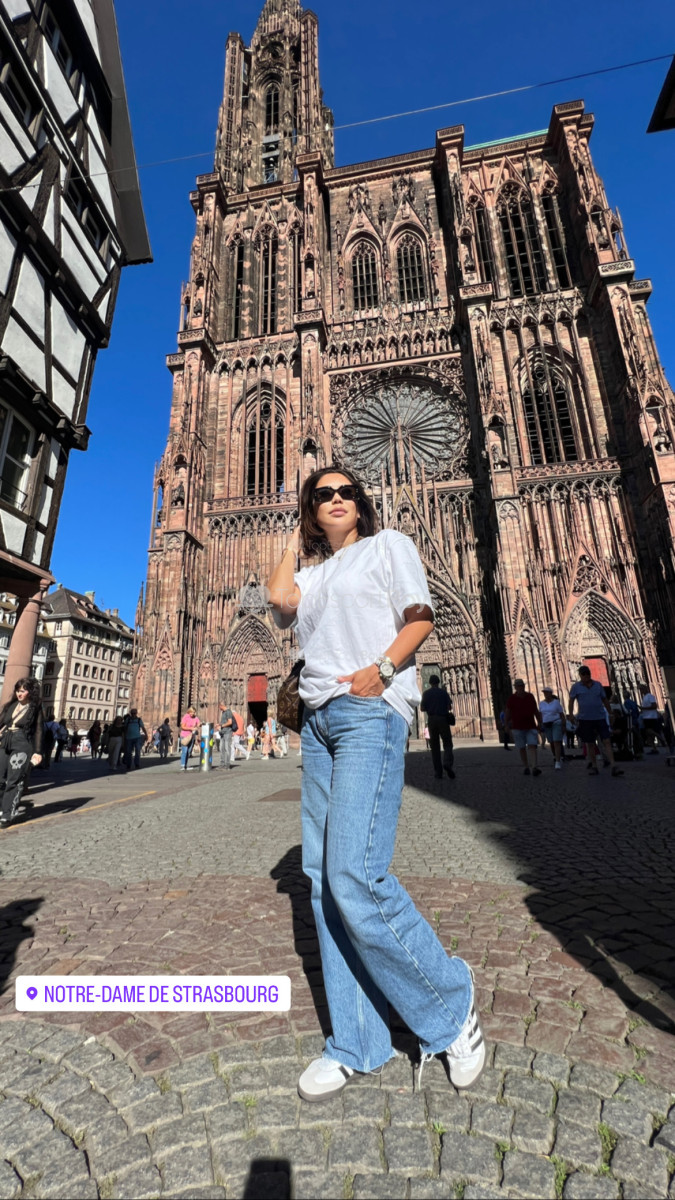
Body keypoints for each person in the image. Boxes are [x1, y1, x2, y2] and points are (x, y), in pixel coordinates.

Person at [267, 465, 484, 1103]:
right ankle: (357, 1040)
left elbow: (420, 616)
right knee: (321, 884)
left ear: (361, 502)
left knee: (354, 876)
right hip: (319, 723)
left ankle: (450, 1004)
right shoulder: (310, 576)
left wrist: (381, 671)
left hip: (368, 711)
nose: (336, 500)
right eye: (322, 495)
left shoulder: (390, 545)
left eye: (345, 492)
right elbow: (279, 603)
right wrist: (293, 536)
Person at [0, 677, 43, 828]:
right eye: (18, 691)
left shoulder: (34, 708)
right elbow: (1, 722)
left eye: (23, 691)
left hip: (22, 743)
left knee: (14, 779)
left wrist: (38, 751)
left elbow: (38, 729)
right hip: (5, 740)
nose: (19, 694)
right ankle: (1, 807)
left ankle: (7, 813)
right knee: (0, 777)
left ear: (30, 692)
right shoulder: (11, 705)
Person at [568, 665, 623, 778]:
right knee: (590, 743)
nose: (585, 676)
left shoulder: (598, 685)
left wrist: (610, 713)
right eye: (583, 674)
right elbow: (571, 701)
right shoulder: (576, 687)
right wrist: (571, 714)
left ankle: (613, 765)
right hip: (585, 719)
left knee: (606, 741)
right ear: (580, 675)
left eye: (587, 673)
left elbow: (605, 700)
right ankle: (594, 766)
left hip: (600, 717)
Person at [504, 680, 543, 776]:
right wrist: (506, 725)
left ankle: (534, 767)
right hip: (517, 727)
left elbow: (535, 710)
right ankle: (526, 766)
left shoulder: (530, 696)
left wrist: (540, 722)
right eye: (518, 686)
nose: (520, 687)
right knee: (522, 747)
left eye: (522, 685)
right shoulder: (512, 699)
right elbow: (508, 712)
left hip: (530, 726)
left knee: (532, 745)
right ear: (515, 687)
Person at [420, 675, 456, 780]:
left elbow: (422, 708)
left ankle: (438, 772)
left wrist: (430, 708)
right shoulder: (443, 693)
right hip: (443, 719)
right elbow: (449, 706)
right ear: (438, 682)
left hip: (432, 720)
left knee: (435, 747)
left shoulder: (426, 693)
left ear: (430, 683)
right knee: (447, 743)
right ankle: (447, 762)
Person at [539, 687, 565, 769]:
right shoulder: (541, 703)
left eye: (547, 692)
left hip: (556, 722)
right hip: (546, 724)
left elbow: (561, 714)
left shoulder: (556, 702)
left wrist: (563, 725)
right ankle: (555, 756)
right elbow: (540, 714)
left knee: (556, 741)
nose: (545, 694)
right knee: (551, 742)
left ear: (550, 693)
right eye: (544, 693)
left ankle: (557, 761)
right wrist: (540, 724)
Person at [179, 706, 200, 770]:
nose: (192, 713)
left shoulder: (196, 718)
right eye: (191, 712)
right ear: (189, 712)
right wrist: (191, 728)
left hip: (192, 736)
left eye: (193, 712)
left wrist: (198, 725)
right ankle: (182, 765)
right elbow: (182, 727)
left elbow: (198, 723)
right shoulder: (186, 717)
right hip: (185, 736)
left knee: (189, 751)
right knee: (185, 751)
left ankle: (185, 765)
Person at [217, 701, 234, 769]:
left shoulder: (228, 712)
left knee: (227, 748)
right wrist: (219, 724)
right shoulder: (223, 712)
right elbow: (225, 722)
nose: (219, 708)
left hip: (227, 732)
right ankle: (222, 764)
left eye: (219, 706)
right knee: (221, 749)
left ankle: (227, 764)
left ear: (221, 705)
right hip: (222, 733)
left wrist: (221, 726)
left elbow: (230, 722)